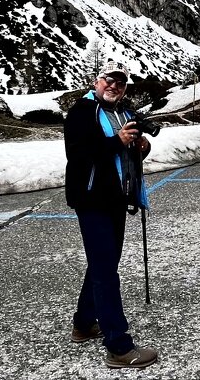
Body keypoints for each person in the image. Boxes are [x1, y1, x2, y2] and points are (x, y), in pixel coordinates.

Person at [64, 60, 159, 370]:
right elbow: (78, 155)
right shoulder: (82, 112)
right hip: (92, 200)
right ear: (97, 81)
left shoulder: (124, 113)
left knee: (102, 264)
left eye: (120, 82)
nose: (114, 85)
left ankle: (84, 324)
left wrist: (139, 147)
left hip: (117, 198)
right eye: (109, 79)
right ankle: (119, 346)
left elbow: (123, 155)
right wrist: (116, 141)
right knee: (106, 270)